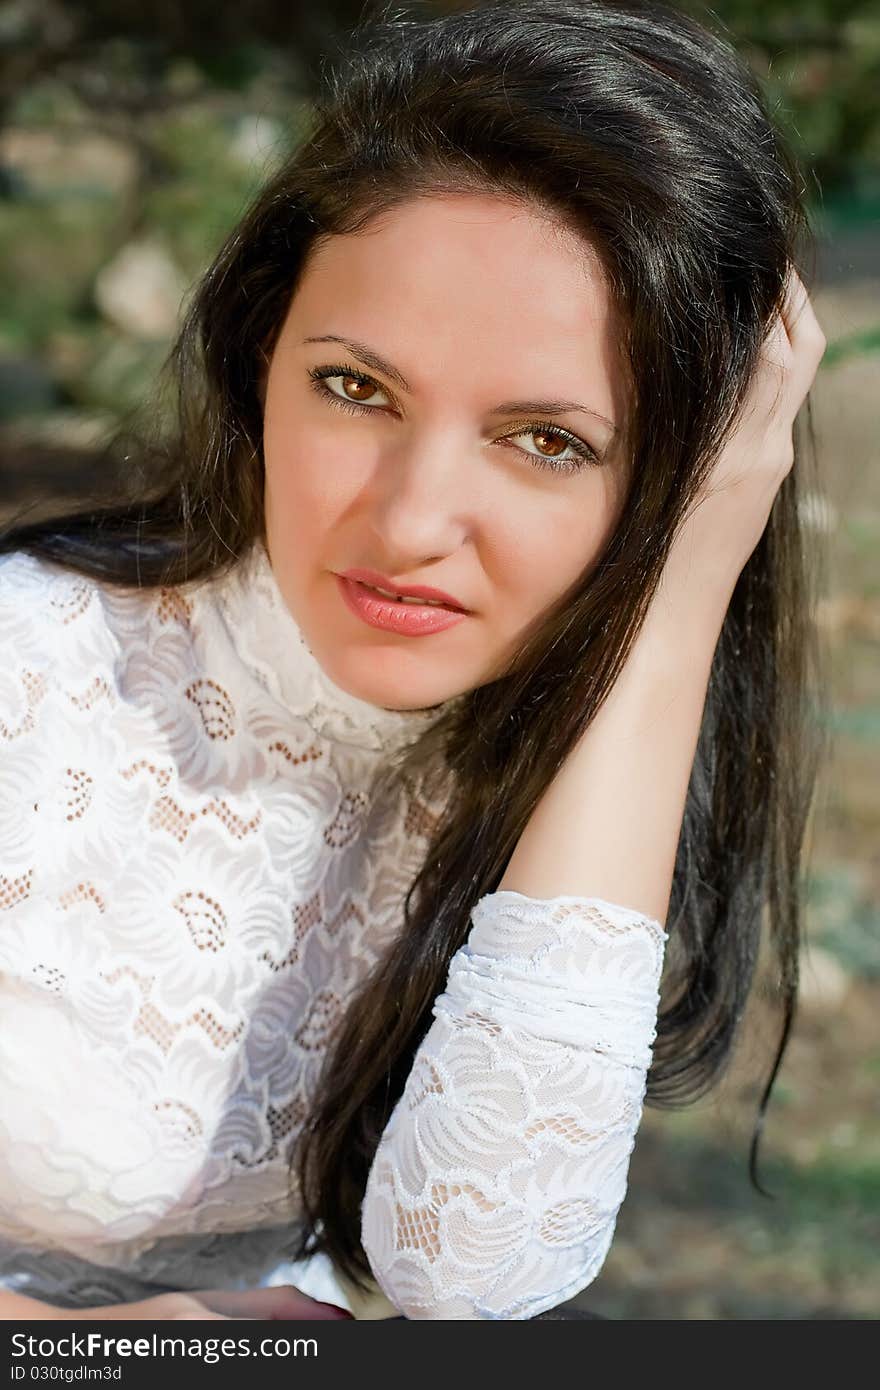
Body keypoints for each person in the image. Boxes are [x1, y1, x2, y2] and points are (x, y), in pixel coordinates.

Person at [0, 0, 827, 1321]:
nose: (408, 522)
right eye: (356, 388)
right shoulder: (29, 676)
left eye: (546, 440)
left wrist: (677, 608)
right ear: (261, 356)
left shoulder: (562, 763)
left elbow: (478, 1271)